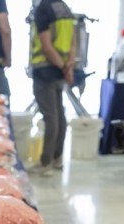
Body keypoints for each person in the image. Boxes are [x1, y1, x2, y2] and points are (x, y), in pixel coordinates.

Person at [29, 0, 77, 177]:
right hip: (60, 70)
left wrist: (63, 67)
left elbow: (46, 46)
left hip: (45, 70)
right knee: (59, 114)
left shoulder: (43, 9)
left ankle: (46, 162)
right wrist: (68, 67)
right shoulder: (64, 8)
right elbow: (73, 44)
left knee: (51, 117)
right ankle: (57, 158)